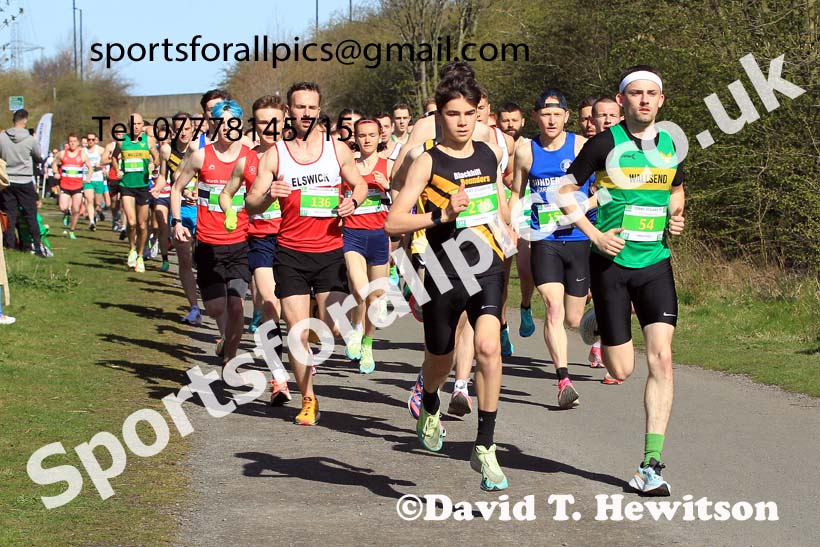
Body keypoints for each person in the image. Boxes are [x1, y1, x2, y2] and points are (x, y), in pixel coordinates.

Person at [561, 65, 685, 496]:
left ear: (661, 101)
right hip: (610, 266)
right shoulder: (603, 144)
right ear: (622, 101)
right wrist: (594, 233)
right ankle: (597, 319)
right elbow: (564, 192)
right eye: (636, 93)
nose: (645, 100)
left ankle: (650, 463)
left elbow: (676, 189)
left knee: (662, 359)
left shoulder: (670, 143)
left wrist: (676, 212)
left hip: (655, 263)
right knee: (622, 369)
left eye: (652, 93)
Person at [386, 74, 513, 491]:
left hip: (489, 264)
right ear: (439, 115)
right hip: (443, 269)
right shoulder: (428, 161)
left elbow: (498, 202)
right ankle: (430, 399)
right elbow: (394, 221)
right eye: (452, 114)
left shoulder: (491, 153)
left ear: (480, 114)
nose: (462, 122)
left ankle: (485, 447)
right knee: (438, 358)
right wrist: (442, 214)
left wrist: (512, 230)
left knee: (488, 348)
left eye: (469, 114)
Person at [245, 81, 368, 426]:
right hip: (291, 254)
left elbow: (359, 184)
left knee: (335, 327)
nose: (306, 114)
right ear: (288, 112)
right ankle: (309, 399)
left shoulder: (337, 149)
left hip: (329, 251)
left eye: (312, 108)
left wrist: (353, 201)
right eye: (300, 107)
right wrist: (270, 193)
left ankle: (319, 333)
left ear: (319, 110)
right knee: (296, 333)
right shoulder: (276, 155)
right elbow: (251, 203)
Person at [510, 89, 593, 410]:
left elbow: (602, 186)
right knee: (553, 309)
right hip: (544, 240)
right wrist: (512, 223)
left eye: (557, 114)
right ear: (535, 117)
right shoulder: (525, 151)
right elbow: (516, 193)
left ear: (567, 116)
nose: (551, 120)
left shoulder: (582, 147)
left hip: (578, 240)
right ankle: (563, 379)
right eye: (545, 114)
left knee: (573, 318)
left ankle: (592, 315)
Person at [220, 95, 290, 404]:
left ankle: (302, 347)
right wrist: (230, 211)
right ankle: (278, 377)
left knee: (298, 313)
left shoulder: (300, 156)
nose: (270, 128)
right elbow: (226, 193)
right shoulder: (245, 160)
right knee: (270, 304)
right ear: (254, 124)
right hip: (261, 240)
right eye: (263, 122)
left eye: (275, 121)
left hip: (298, 241)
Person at [171, 98, 251, 367]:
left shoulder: (249, 155)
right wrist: (177, 221)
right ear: (214, 124)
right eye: (222, 122)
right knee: (217, 308)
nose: (228, 127)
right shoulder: (201, 155)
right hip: (208, 243)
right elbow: (176, 188)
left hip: (240, 242)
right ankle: (225, 341)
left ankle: (230, 359)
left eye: (233, 122)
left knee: (237, 306)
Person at [342, 118, 392, 374]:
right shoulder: (347, 165)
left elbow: (403, 201)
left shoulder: (389, 166)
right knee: (360, 290)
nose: (367, 139)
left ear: (379, 136)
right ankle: (355, 329)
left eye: (372, 135)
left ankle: (368, 344)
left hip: (379, 235)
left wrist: (388, 187)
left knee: (375, 297)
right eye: (362, 135)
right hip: (352, 233)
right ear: (356, 137)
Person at [497, 102, 535, 338]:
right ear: (497, 122)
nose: (510, 125)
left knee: (525, 270)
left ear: (523, 122)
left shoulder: (531, 148)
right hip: (501, 216)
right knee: (500, 275)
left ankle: (526, 306)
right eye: (505, 120)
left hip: (528, 215)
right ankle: (502, 327)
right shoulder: (494, 149)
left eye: (514, 120)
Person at [109, 113, 160, 272]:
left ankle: (140, 256)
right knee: (131, 223)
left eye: (139, 123)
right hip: (126, 186)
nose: (136, 126)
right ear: (128, 125)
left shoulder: (148, 140)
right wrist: (118, 170)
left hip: (143, 186)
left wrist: (153, 164)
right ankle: (131, 249)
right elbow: (114, 158)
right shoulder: (122, 141)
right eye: (134, 124)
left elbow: (157, 158)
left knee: (142, 224)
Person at [0, 109, 46, 255]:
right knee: (30, 214)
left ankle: (9, 245)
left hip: (7, 180)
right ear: (25, 120)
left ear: (13, 120)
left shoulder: (2, 137)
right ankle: (36, 245)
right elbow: (39, 157)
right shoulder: (30, 140)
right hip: (24, 180)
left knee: (9, 214)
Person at [53, 134, 93, 240]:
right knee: (62, 207)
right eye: (70, 141)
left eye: (74, 141)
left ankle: (71, 230)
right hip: (65, 186)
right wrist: (55, 172)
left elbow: (90, 167)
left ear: (78, 143)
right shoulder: (62, 154)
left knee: (76, 210)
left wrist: (88, 177)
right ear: (68, 142)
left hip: (77, 186)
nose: (72, 143)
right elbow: (54, 163)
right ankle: (66, 213)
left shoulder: (82, 155)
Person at [83, 132, 106, 231]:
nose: (90, 141)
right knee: (89, 199)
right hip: (87, 179)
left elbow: (108, 160)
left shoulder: (100, 150)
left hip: (98, 178)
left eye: (93, 139)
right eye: (89, 140)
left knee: (98, 203)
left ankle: (97, 212)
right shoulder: (83, 151)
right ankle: (92, 221)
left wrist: (101, 165)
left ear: (95, 140)